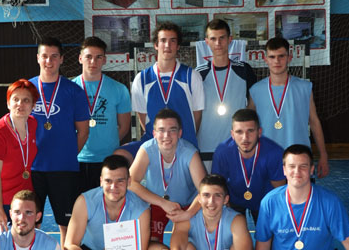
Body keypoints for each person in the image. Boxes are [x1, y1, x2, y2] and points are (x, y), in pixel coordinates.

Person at [30, 37, 90, 250]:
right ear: (38, 58)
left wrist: (68, 154)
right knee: (30, 222)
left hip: (64, 169)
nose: (49, 61)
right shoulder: (26, 89)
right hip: (32, 168)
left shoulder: (74, 91)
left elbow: (83, 131)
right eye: (45, 56)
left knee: (66, 225)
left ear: (62, 59)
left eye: (54, 56)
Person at [118, 22, 204, 162]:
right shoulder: (141, 79)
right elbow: (143, 119)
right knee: (119, 155)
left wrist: (180, 137)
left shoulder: (192, 76)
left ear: (178, 46)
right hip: (154, 142)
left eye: (172, 41)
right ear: (156, 45)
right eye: (163, 40)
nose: (167, 45)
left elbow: (197, 117)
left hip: (184, 143)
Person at [249, 37, 329, 178]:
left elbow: (314, 122)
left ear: (289, 58)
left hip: (299, 161)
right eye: (272, 57)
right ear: (265, 59)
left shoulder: (304, 87)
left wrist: (323, 155)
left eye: (281, 56)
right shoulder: (255, 90)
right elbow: (249, 127)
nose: (277, 61)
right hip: (267, 161)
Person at [0, 79, 39, 242]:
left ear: (33, 105)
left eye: (26, 100)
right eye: (15, 99)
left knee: (17, 248)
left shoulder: (33, 125)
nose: (20, 104)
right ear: (8, 103)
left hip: (18, 201)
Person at [128, 108, 206, 244]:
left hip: (185, 206)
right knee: (149, 244)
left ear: (180, 133)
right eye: (161, 130)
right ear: (154, 133)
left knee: (181, 244)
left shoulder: (190, 153)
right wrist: (162, 202)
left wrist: (188, 213)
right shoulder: (146, 149)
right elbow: (130, 183)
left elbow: (205, 191)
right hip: (156, 204)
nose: (166, 135)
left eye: (172, 130)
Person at [73, 37, 132, 192]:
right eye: (88, 57)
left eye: (98, 57)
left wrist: (107, 144)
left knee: (106, 204)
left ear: (104, 60)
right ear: (80, 58)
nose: (93, 62)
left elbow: (124, 127)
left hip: (108, 159)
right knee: (78, 204)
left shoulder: (119, 89)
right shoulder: (69, 89)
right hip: (77, 158)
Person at [196, 19, 257, 161]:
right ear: (207, 41)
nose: (218, 43)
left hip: (237, 146)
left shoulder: (244, 70)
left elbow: (253, 104)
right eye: (213, 39)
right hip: (206, 146)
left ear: (230, 39)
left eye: (222, 38)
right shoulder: (198, 74)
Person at [212, 108, 285, 223]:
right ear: (232, 134)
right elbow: (217, 186)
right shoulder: (222, 152)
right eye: (239, 132)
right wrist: (228, 209)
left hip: (264, 200)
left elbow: (279, 190)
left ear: (259, 132)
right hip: (233, 199)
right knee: (233, 231)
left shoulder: (274, 152)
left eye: (250, 131)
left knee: (269, 232)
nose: (245, 137)